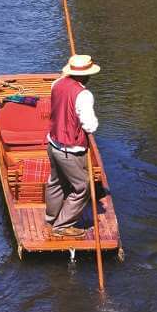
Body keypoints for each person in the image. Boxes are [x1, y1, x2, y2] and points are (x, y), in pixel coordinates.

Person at [44, 53, 100, 238]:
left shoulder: (56, 84)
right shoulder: (83, 94)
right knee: (82, 187)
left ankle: (51, 219)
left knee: (55, 183)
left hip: (52, 144)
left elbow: (62, 77)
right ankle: (61, 226)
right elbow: (89, 125)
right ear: (86, 75)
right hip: (70, 150)